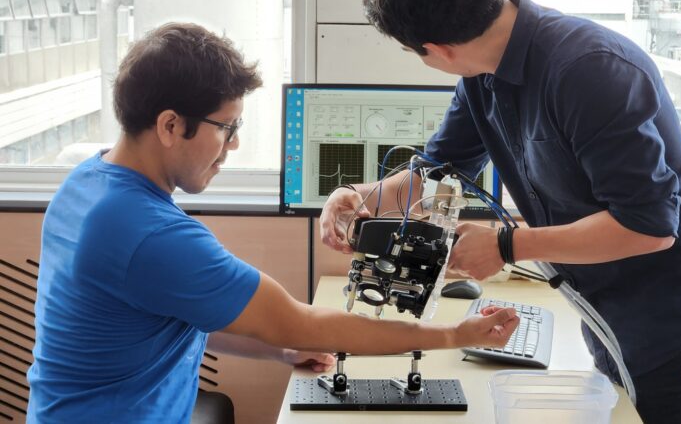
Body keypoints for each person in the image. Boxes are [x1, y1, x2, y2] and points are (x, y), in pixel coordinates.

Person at [319, 0, 681, 424]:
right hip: (604, 305)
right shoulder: (482, 75)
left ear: (437, 50)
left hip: (672, 316)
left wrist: (506, 245)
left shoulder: (588, 70)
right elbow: (435, 172)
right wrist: (353, 196)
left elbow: (650, 226)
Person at [26, 22, 520, 423]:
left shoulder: (88, 182)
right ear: (171, 125)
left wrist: (282, 351)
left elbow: (183, 312)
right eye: (228, 128)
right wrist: (458, 336)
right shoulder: (150, 234)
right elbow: (302, 322)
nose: (233, 146)